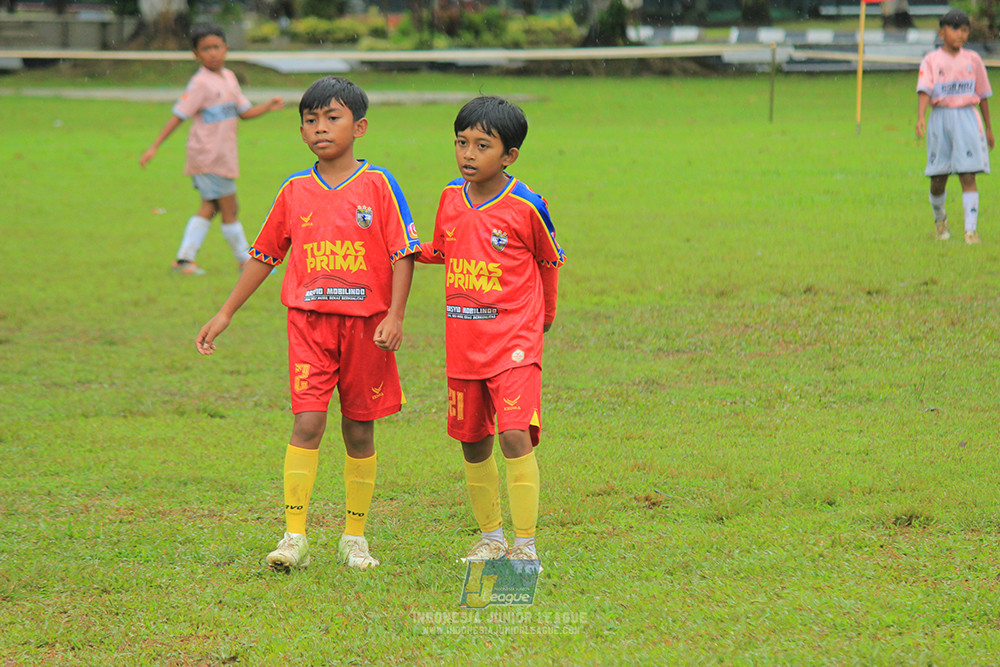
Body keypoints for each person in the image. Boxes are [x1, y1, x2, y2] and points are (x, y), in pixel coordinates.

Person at [195, 76, 421, 571]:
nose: (320, 128)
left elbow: (404, 252)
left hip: (367, 329)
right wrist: (226, 311)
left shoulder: (379, 184)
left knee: (360, 431)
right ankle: (294, 535)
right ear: (301, 130)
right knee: (308, 423)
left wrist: (395, 314)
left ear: (359, 126)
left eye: (332, 118)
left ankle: (354, 538)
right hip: (310, 326)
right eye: (310, 120)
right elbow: (264, 254)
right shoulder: (295, 190)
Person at [421, 96, 565, 570]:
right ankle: (492, 538)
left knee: (513, 434)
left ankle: (526, 545)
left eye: (482, 145)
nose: (468, 154)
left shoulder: (527, 205)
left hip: (515, 341)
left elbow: (548, 260)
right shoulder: (449, 198)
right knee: (473, 441)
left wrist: (543, 317)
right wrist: (401, 246)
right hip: (464, 344)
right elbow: (442, 249)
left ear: (508, 156)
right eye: (461, 143)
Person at [140, 24, 284, 275]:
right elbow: (178, 116)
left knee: (211, 206)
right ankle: (246, 261)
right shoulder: (200, 84)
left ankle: (184, 260)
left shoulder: (228, 77)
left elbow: (244, 112)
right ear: (196, 55)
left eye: (216, 47)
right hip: (208, 156)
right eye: (206, 49)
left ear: (226, 48)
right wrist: (154, 146)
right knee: (230, 208)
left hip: (224, 156)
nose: (213, 53)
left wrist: (267, 107)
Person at [916, 9, 994, 244]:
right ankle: (940, 221)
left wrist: (989, 128)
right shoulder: (931, 60)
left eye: (965, 30)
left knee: (968, 174)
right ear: (942, 33)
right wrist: (920, 117)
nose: (961, 34)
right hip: (941, 119)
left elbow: (982, 94)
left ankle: (971, 231)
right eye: (955, 29)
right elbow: (924, 89)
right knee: (938, 177)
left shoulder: (973, 60)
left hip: (967, 119)